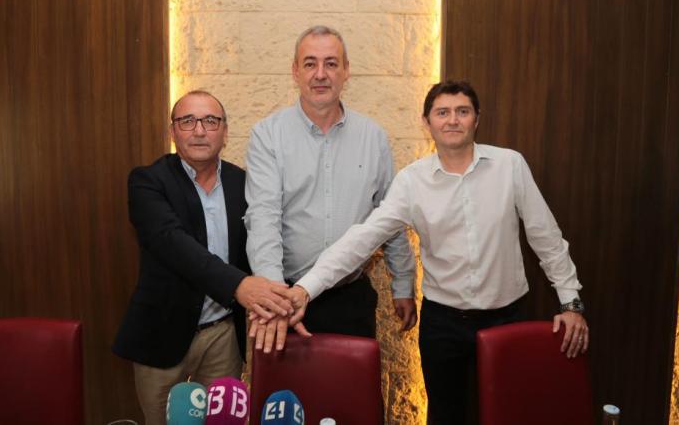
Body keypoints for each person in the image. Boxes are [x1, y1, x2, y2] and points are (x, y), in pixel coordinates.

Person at [286, 81, 590, 424]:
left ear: (477, 119)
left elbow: (545, 237)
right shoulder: (412, 181)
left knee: (510, 412)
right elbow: (362, 239)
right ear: (427, 122)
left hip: (506, 318)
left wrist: (571, 303)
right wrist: (305, 288)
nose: (453, 120)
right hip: (443, 324)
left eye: (463, 111)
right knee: (446, 417)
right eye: (442, 112)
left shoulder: (510, 165)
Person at [112, 91, 293, 425]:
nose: (199, 130)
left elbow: (264, 239)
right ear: (172, 131)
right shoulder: (147, 181)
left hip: (222, 336)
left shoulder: (244, 183)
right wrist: (240, 286)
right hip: (161, 332)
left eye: (210, 121)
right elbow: (172, 244)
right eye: (187, 121)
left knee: (222, 421)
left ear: (225, 132)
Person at [244, 25, 417, 352]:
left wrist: (403, 284)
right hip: (285, 296)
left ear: (346, 71)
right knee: (286, 387)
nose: (320, 74)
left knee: (353, 385)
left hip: (350, 297)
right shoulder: (268, 135)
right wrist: (275, 300)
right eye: (310, 63)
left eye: (331, 63)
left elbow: (389, 216)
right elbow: (263, 217)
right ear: (295, 71)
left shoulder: (373, 137)